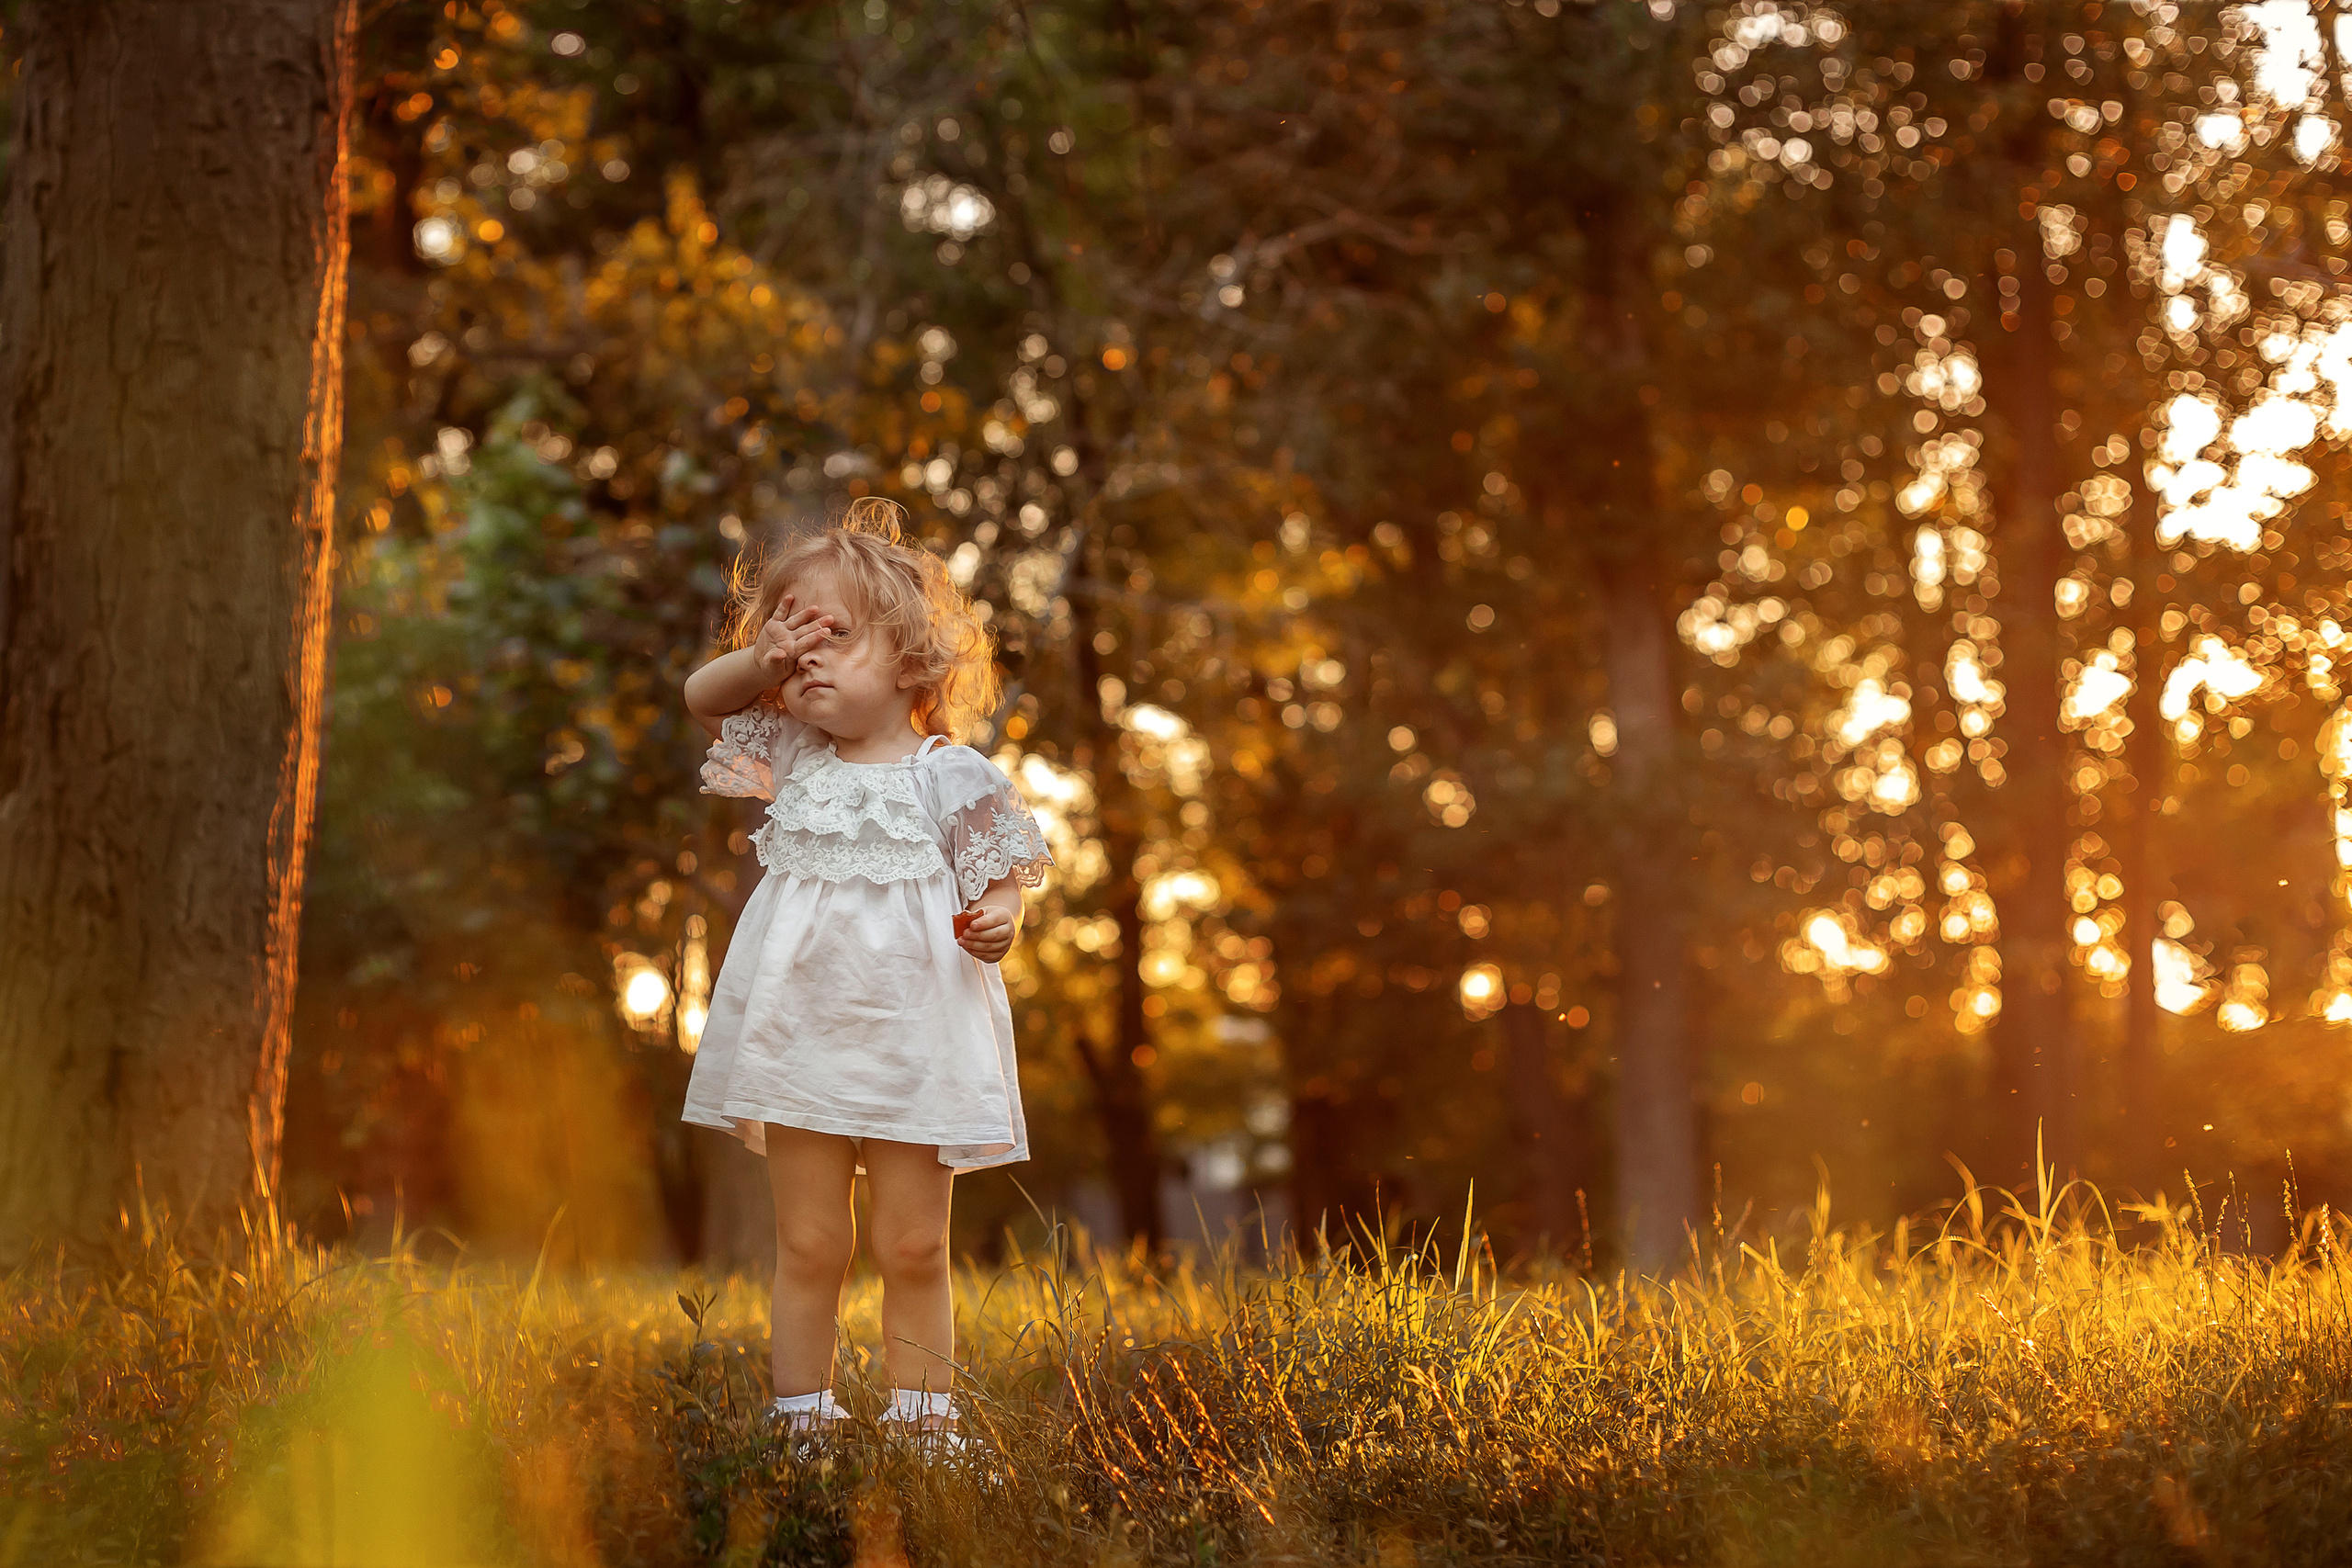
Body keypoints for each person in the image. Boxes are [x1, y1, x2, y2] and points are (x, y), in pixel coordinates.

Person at [681, 495, 1050, 1447]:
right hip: (801, 1040)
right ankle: (801, 1420)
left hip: (915, 1043)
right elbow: (702, 696)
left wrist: (999, 918)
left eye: (830, 635)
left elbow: (1002, 875)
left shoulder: (949, 773)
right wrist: (758, 660)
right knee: (810, 1242)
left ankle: (924, 1424)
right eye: (785, 638)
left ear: (914, 659)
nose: (800, 655)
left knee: (913, 1244)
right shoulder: (793, 754)